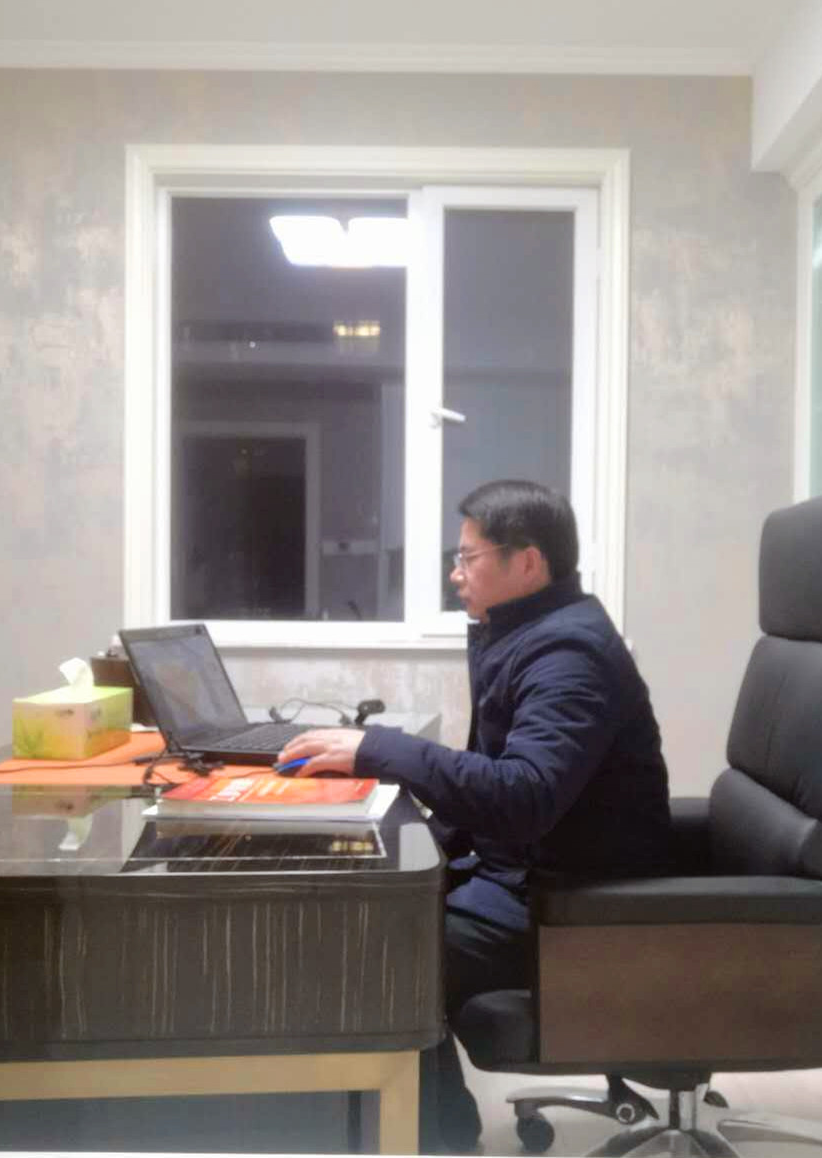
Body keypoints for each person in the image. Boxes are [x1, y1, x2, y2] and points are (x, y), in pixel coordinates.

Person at [278, 479, 671, 1152]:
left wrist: (381, 749)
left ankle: (438, 1141)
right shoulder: (530, 633)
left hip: (568, 903)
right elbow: (498, 780)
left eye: (468, 558)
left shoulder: (568, 655)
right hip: (532, 875)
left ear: (528, 562)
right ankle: (429, 1130)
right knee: (368, 913)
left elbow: (523, 796)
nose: (455, 574)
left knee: (374, 949)